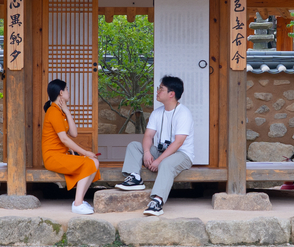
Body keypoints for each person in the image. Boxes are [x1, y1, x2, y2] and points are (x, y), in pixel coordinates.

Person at [116, 75, 194, 217]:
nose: (157, 91)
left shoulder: (184, 113)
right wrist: (146, 152)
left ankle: (157, 202)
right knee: (134, 146)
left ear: (171, 94)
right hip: (160, 151)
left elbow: (178, 142)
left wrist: (158, 161)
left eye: (161, 89)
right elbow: (148, 136)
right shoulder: (157, 113)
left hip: (181, 155)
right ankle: (134, 178)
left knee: (166, 164)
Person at [42, 78, 99, 215]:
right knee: (89, 163)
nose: (68, 92)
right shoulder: (53, 111)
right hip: (53, 157)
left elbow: (73, 133)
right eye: (67, 89)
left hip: (62, 155)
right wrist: (85, 152)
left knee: (94, 163)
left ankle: (79, 201)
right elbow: (64, 139)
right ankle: (78, 203)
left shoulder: (60, 111)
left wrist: (67, 111)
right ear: (61, 93)